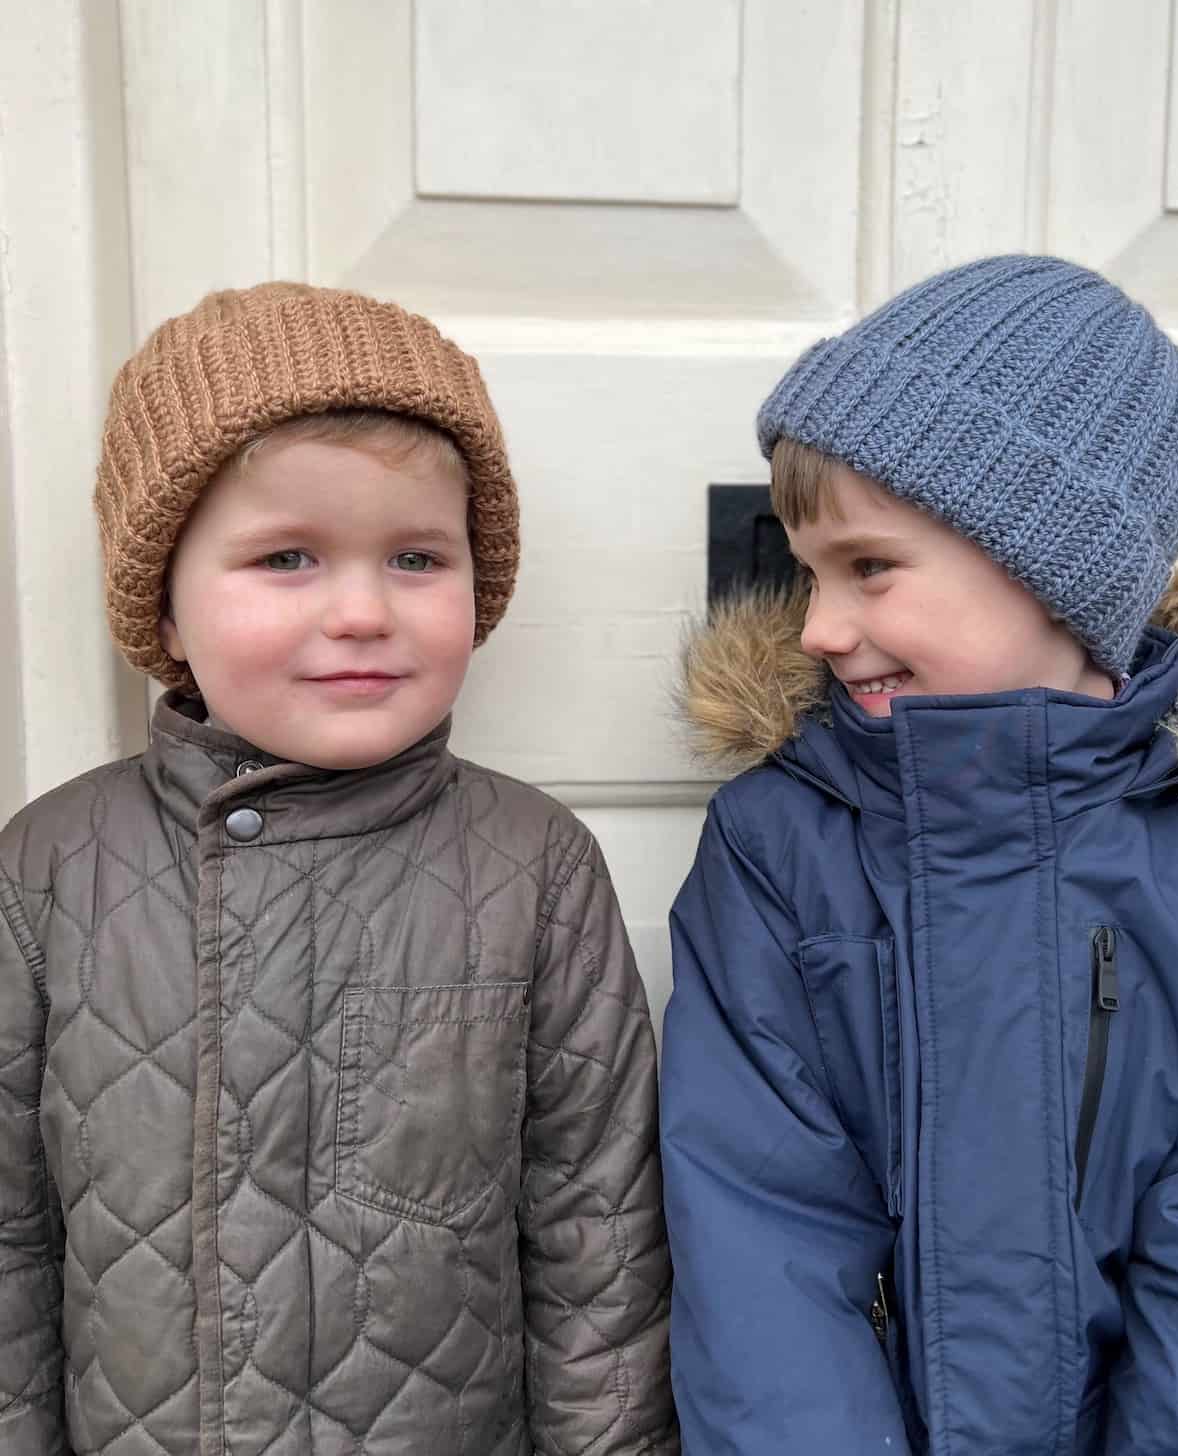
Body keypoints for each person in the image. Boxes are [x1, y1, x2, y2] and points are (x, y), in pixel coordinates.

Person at [0, 283, 677, 1456]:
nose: (363, 609)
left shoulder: (533, 867)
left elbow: (597, 1246)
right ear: (163, 601)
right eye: (287, 557)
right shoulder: (50, 867)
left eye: (417, 556)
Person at [661, 254, 1178, 1454]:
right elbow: (762, 1240)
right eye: (809, 574)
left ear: (1059, 571)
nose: (818, 629)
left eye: (870, 569)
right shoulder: (779, 847)